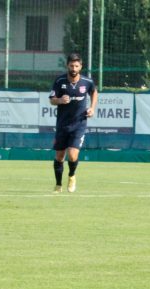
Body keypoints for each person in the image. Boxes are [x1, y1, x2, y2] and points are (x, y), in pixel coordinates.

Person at [49, 53, 98, 193]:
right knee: (59, 156)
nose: (74, 68)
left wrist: (92, 108)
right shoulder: (60, 81)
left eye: (76, 66)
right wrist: (59, 100)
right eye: (71, 65)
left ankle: (71, 176)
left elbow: (94, 92)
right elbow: (52, 99)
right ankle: (58, 184)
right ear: (67, 66)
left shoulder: (87, 82)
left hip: (79, 124)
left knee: (72, 154)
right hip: (62, 124)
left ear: (81, 66)